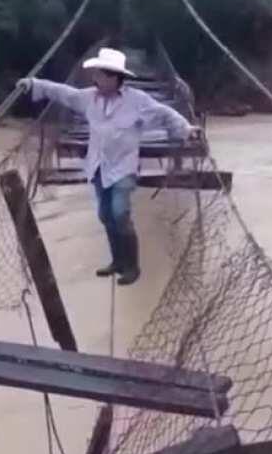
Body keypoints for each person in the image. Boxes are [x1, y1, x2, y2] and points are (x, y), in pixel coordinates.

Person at [19, 47, 201, 286]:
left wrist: (186, 130)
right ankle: (117, 261)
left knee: (119, 214)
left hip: (123, 168)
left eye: (100, 75)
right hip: (98, 166)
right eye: (96, 75)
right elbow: (64, 93)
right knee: (105, 215)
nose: (95, 79)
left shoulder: (137, 100)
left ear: (115, 78)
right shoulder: (88, 98)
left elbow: (165, 113)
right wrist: (33, 84)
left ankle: (132, 267)